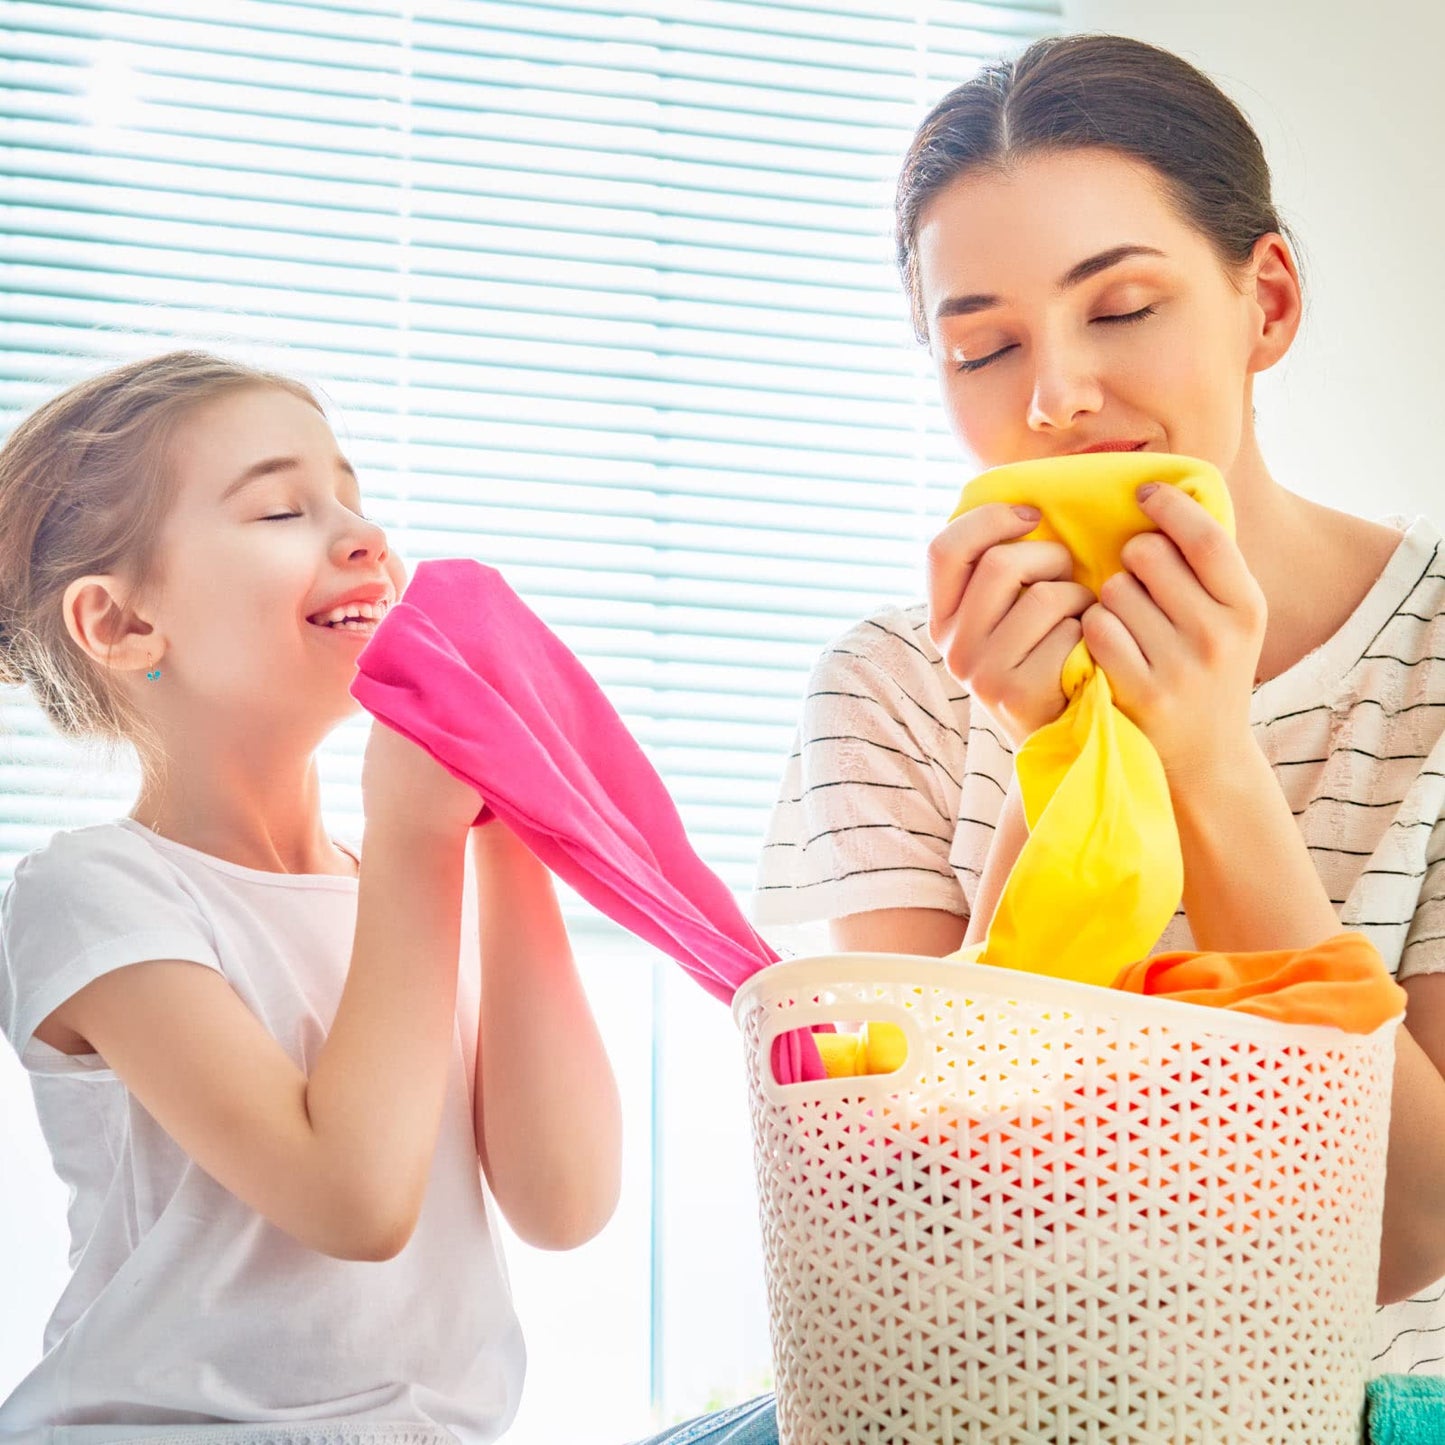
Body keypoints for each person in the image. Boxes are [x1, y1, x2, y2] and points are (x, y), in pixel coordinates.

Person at [756, 32, 1445, 1375]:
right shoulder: (895, 686)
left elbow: (1408, 1228)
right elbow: (925, 1221)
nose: (1056, 397)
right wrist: (1058, 759)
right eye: (981, 348)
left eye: (1120, 309)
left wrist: (1207, 760)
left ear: (1269, 303)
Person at [0, 351, 631, 1444]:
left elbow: (561, 1200)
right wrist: (418, 835)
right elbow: (353, 1197)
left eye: (350, 495)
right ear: (119, 626)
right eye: (282, 508)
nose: (363, 536)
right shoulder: (95, 892)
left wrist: (514, 832)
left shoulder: (403, 882)